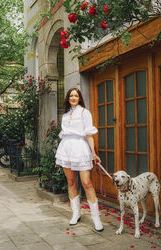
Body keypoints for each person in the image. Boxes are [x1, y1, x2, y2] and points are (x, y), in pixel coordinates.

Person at [55, 88, 104, 232]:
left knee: (87, 183)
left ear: (80, 98)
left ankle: (96, 218)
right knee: (71, 182)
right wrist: (61, 154)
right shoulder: (65, 115)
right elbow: (64, 135)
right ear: (68, 98)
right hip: (66, 149)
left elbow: (89, 134)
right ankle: (76, 213)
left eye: (76, 95)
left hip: (80, 148)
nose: (73, 98)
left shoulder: (84, 112)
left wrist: (94, 153)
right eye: (71, 96)